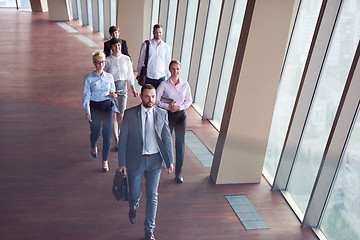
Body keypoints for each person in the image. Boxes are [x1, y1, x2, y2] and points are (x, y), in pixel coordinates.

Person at [118, 84, 174, 240]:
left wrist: (170, 160)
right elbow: (123, 140)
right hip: (135, 160)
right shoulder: (130, 114)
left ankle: (149, 230)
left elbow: (167, 138)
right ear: (141, 96)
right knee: (134, 194)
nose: (151, 100)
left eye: (154, 96)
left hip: (155, 161)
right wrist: (122, 163)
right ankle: (133, 206)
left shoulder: (162, 114)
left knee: (153, 195)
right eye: (148, 96)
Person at [156, 60, 192, 183]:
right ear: (169, 70)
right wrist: (168, 107)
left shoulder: (185, 85)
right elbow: (156, 100)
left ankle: (178, 173)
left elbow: (188, 101)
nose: (175, 71)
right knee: (165, 141)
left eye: (177, 69)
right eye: (172, 69)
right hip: (168, 116)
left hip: (181, 116)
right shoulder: (164, 85)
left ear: (180, 70)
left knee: (180, 144)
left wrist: (180, 107)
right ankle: (163, 161)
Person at [82, 51, 117, 172]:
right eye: (98, 62)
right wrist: (87, 111)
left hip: (108, 106)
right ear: (94, 63)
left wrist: (113, 95)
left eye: (102, 62)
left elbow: (113, 91)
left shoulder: (109, 77)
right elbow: (86, 95)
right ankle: (93, 145)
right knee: (95, 133)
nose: (100, 65)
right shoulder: (89, 78)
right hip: (95, 107)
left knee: (107, 135)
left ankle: (105, 161)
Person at [104, 38, 139, 150]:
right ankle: (117, 139)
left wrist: (133, 89)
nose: (117, 47)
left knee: (121, 114)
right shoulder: (108, 60)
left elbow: (130, 75)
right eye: (114, 45)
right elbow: (104, 76)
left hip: (122, 88)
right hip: (111, 89)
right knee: (113, 114)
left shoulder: (126, 59)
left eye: (118, 45)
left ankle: (122, 136)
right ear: (111, 47)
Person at [137, 24, 171, 89]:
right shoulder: (146, 45)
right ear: (153, 32)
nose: (158, 34)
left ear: (162, 32)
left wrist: (169, 76)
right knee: (147, 96)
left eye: (160, 32)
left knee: (158, 98)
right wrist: (139, 74)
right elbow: (141, 60)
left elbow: (167, 62)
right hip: (148, 76)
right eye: (156, 32)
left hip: (161, 77)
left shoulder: (166, 47)